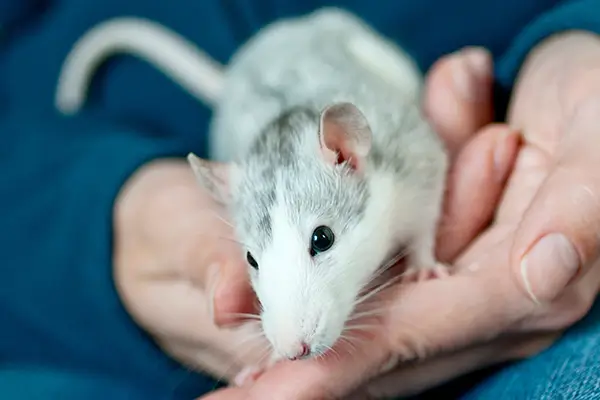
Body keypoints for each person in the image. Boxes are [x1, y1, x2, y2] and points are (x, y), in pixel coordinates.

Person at [1, 1, 599, 400]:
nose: (296, 339)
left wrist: (577, 36)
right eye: (254, 263)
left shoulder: (374, 162)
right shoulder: (247, 170)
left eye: (322, 242)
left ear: (350, 154)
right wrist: (96, 208)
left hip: (341, 53)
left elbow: (428, 161)